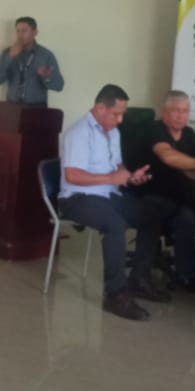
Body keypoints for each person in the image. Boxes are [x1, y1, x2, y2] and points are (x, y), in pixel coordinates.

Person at [59, 84, 168, 321]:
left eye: (122, 114)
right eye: (116, 114)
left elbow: (117, 166)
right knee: (115, 225)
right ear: (100, 108)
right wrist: (111, 178)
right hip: (78, 198)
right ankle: (116, 295)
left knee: (152, 214)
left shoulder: (113, 133)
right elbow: (72, 175)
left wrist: (130, 176)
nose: (120, 120)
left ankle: (138, 279)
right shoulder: (79, 133)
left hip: (107, 195)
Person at [136, 90, 195, 292]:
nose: (181, 116)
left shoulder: (189, 134)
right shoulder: (154, 129)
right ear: (164, 112)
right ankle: (141, 277)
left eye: (185, 111)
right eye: (176, 110)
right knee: (179, 217)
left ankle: (189, 274)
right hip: (152, 194)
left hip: (181, 196)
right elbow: (169, 157)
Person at [0, 16, 64, 106]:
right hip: (12, 107)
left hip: (37, 108)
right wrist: (9, 57)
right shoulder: (8, 52)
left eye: (24, 31)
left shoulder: (46, 55)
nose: (20, 35)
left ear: (34, 32)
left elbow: (59, 86)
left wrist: (47, 77)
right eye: (18, 31)